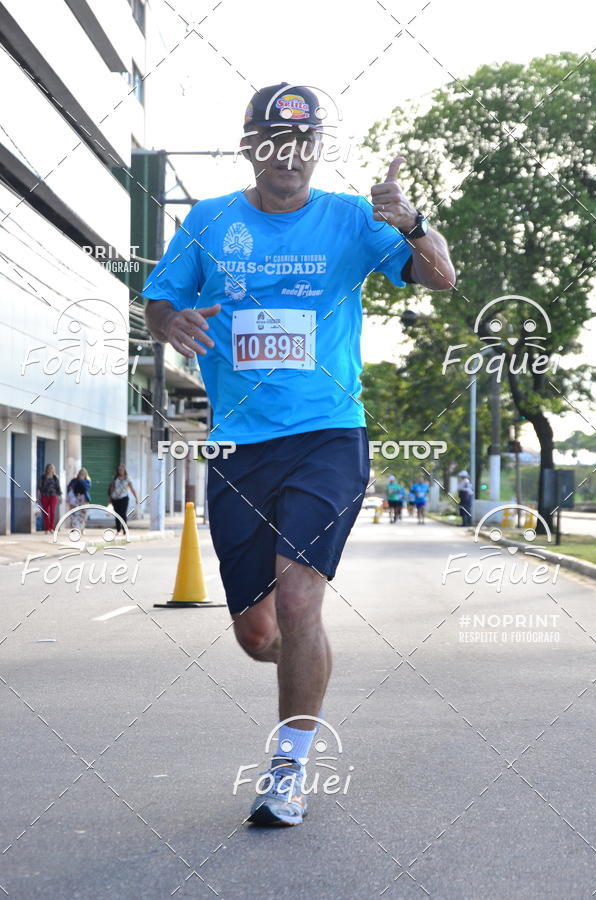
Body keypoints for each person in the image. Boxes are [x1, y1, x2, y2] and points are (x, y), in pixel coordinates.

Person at [142, 82, 455, 826]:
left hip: (327, 435)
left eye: (305, 141)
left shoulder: (351, 218)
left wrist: (413, 222)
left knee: (298, 599)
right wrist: (170, 322)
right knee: (260, 634)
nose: (290, 154)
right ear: (250, 146)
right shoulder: (210, 220)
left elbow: (441, 275)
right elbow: (157, 300)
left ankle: (288, 768)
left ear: (317, 149)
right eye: (275, 141)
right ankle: (306, 664)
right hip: (239, 444)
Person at [108, 464, 138, 533]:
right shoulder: (115, 478)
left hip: (124, 498)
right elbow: (112, 488)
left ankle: (125, 529)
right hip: (115, 498)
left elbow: (132, 488)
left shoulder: (128, 478)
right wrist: (110, 498)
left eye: (121, 470)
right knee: (117, 514)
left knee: (123, 513)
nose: (120, 471)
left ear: (124, 470)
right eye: (119, 470)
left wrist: (136, 497)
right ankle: (118, 530)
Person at [66, 468, 92, 533]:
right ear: (78, 474)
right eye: (81, 473)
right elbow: (69, 487)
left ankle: (82, 529)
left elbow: (87, 488)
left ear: (86, 474)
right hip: (75, 499)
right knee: (74, 514)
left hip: (84, 499)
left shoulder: (87, 481)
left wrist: (82, 480)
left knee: (83, 515)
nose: (82, 475)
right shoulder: (74, 480)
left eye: (83, 474)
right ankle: (76, 529)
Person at [38, 463, 62, 532]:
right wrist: (38, 496)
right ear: (47, 469)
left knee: (52, 511)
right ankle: (47, 528)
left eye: (52, 468)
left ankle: (51, 528)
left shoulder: (55, 477)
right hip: (44, 496)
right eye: (49, 468)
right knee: (45, 512)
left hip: (54, 496)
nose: (50, 469)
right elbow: (39, 487)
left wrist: (60, 496)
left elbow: (58, 487)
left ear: (54, 469)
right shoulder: (43, 477)